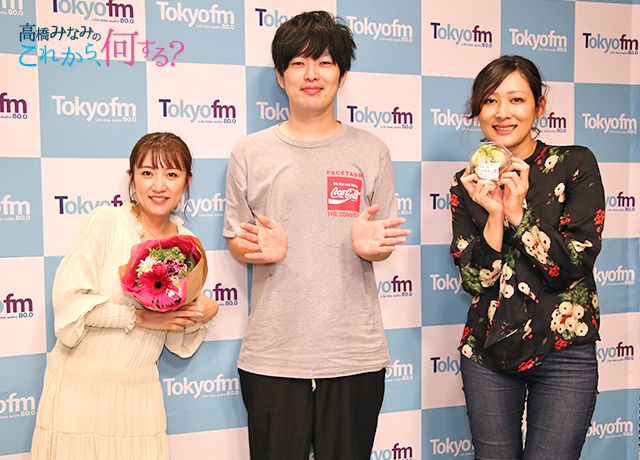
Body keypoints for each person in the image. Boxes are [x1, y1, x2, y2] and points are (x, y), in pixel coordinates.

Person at [223, 10, 411, 460]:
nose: (312, 75)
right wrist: (256, 250)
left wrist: (371, 249)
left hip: (353, 353)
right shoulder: (249, 152)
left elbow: (381, 244)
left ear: (342, 75)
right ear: (280, 75)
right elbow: (235, 238)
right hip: (273, 352)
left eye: (325, 62)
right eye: (299, 63)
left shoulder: (372, 150)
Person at [449, 55, 605, 460]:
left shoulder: (574, 164)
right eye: (490, 101)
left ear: (539, 107)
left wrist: (518, 213)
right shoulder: (467, 184)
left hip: (564, 351)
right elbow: (476, 280)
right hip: (488, 352)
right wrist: (495, 215)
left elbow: (572, 266)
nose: (502, 112)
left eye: (516, 100)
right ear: (477, 110)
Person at [30, 132, 218, 460]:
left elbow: (177, 338)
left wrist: (203, 311)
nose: (158, 185)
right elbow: (69, 303)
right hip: (79, 389)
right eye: (147, 173)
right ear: (132, 178)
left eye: (171, 174)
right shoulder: (106, 222)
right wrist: (140, 317)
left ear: (187, 182)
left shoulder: (187, 246)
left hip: (140, 396)